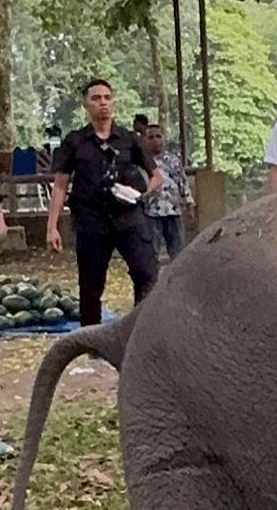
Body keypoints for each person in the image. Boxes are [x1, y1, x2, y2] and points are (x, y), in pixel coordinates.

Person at [46, 78, 163, 327]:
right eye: (96, 98)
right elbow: (60, 184)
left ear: (114, 102)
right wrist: (52, 226)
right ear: (86, 105)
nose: (103, 103)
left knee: (147, 274)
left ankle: (140, 329)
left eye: (107, 98)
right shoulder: (75, 141)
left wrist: (141, 194)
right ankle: (90, 342)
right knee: (90, 286)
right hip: (91, 220)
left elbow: (157, 176)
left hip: (129, 218)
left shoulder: (130, 139)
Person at [141, 124, 194, 258]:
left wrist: (189, 206)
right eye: (151, 137)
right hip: (151, 212)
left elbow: (182, 182)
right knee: (151, 252)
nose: (155, 140)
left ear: (164, 138)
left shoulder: (173, 160)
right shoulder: (142, 161)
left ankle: (178, 278)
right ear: (144, 140)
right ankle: (154, 278)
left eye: (158, 136)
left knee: (178, 252)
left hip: (173, 210)